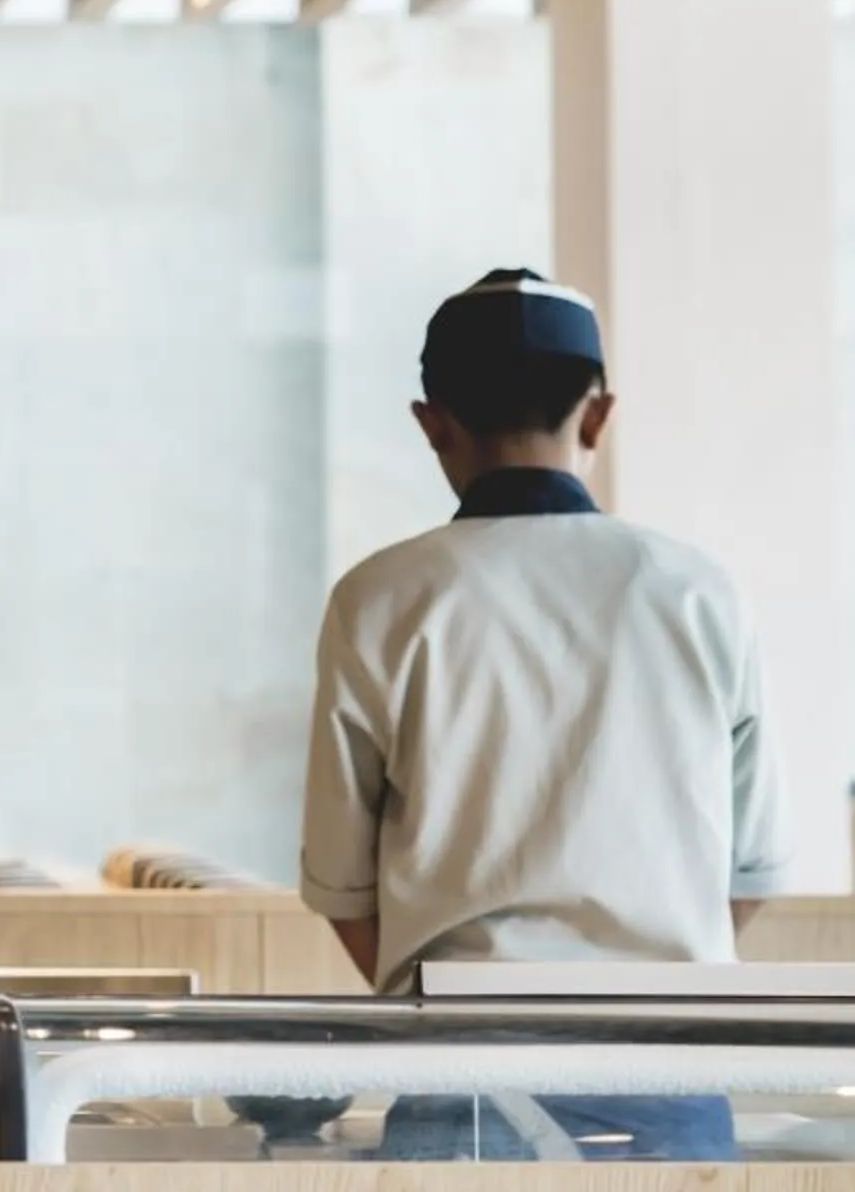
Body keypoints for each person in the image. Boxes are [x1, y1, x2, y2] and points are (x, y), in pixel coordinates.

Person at [299, 268, 791, 1162]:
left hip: (462, 1072)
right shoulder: (698, 593)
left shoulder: (378, 599)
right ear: (598, 416)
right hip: (668, 1070)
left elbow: (342, 884)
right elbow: (750, 873)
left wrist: (446, 997)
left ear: (431, 423)